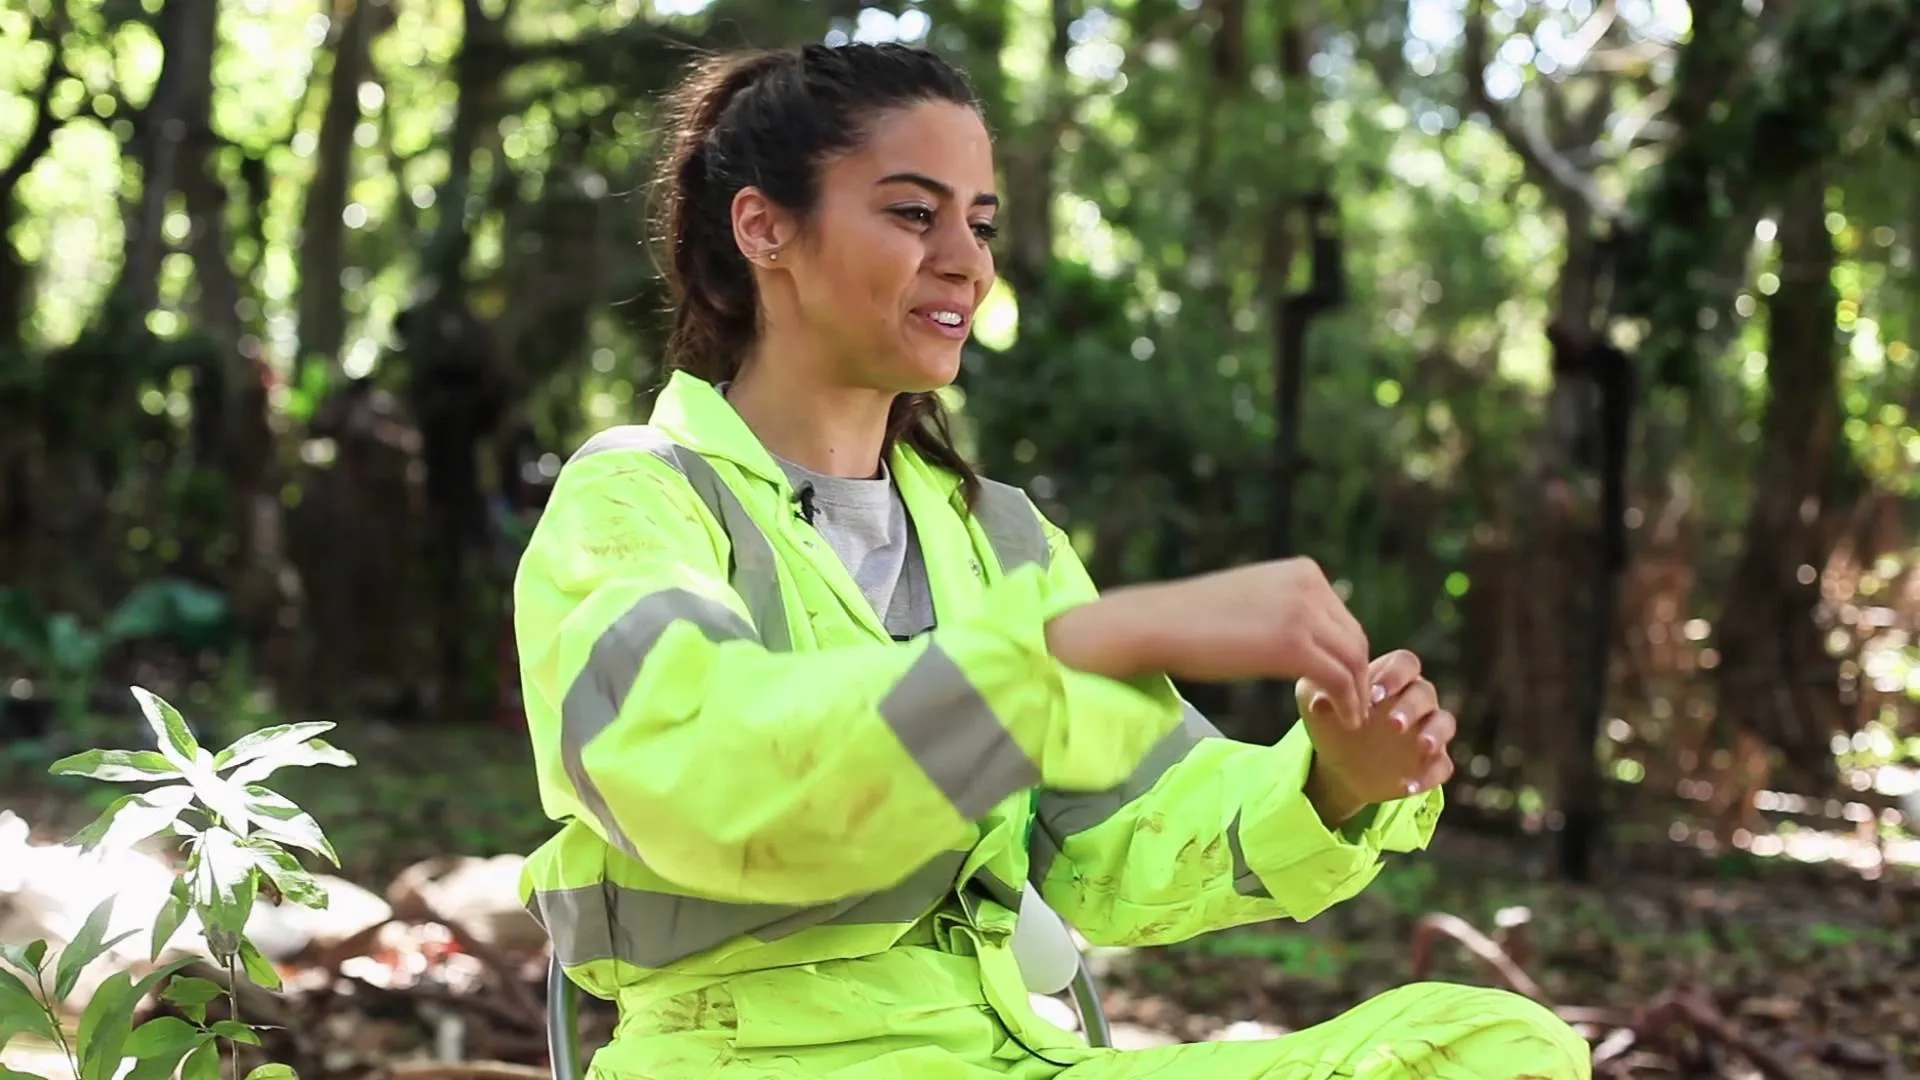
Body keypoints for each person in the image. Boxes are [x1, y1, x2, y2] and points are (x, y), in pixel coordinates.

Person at [513, 41, 1590, 1080]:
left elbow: (1118, 838)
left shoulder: (999, 536)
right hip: (741, 1061)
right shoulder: (635, 500)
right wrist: (1086, 643)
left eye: (979, 224)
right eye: (912, 212)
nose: (965, 261)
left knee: (1492, 1050)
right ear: (764, 227)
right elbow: (714, 781)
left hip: (1008, 1057)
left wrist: (1330, 784)